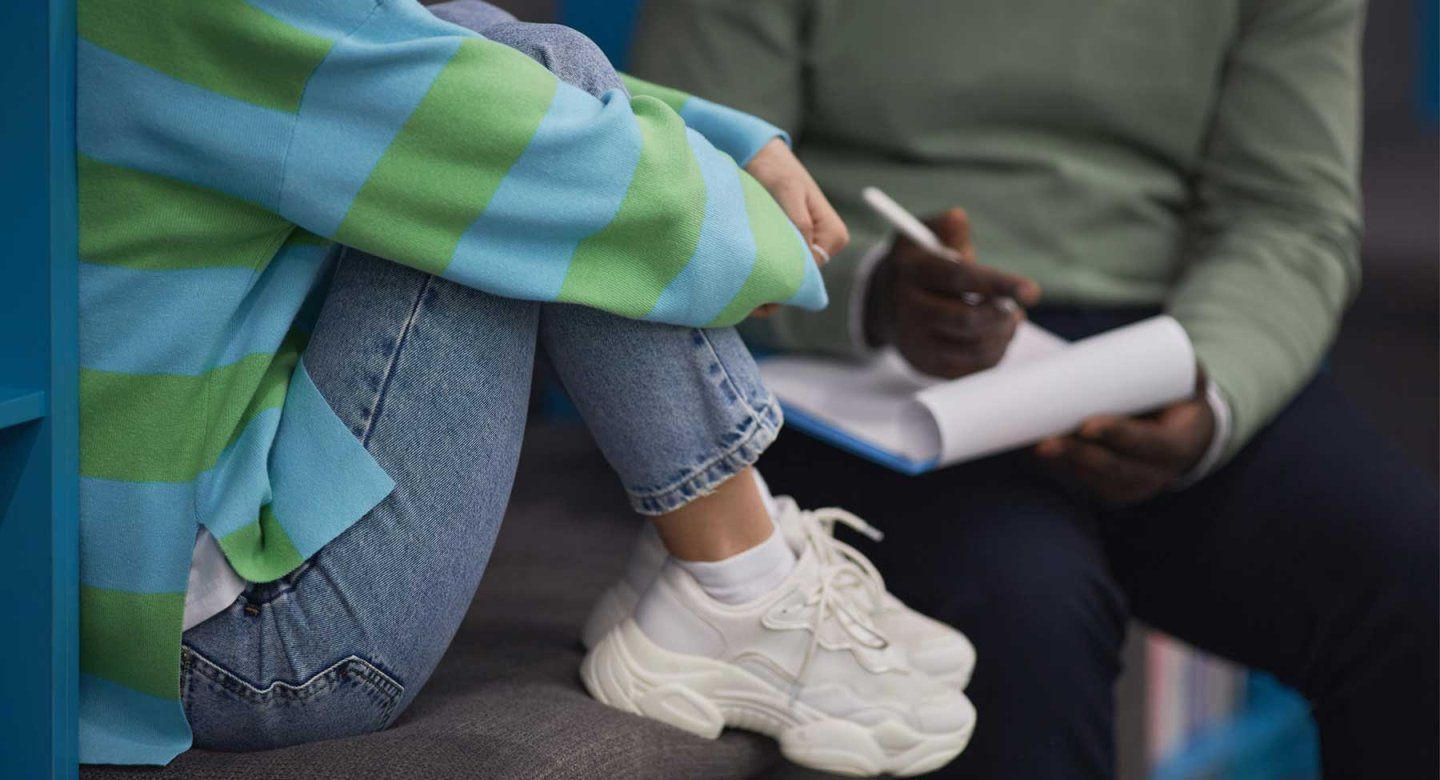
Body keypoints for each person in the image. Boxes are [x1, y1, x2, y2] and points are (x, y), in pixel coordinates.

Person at [78, 0, 976, 775]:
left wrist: (735, 142)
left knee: (535, 87)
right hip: (234, 655)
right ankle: (739, 583)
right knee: (529, 139)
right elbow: (502, 117)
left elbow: (416, 39)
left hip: (164, 573)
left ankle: (733, 576)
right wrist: (766, 243)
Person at [629, 1, 1440, 777]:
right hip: (847, 355)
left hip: (1171, 341)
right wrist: (866, 290)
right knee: (1018, 614)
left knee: (1411, 582)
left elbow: (1288, 211)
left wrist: (1212, 389)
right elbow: (689, 180)